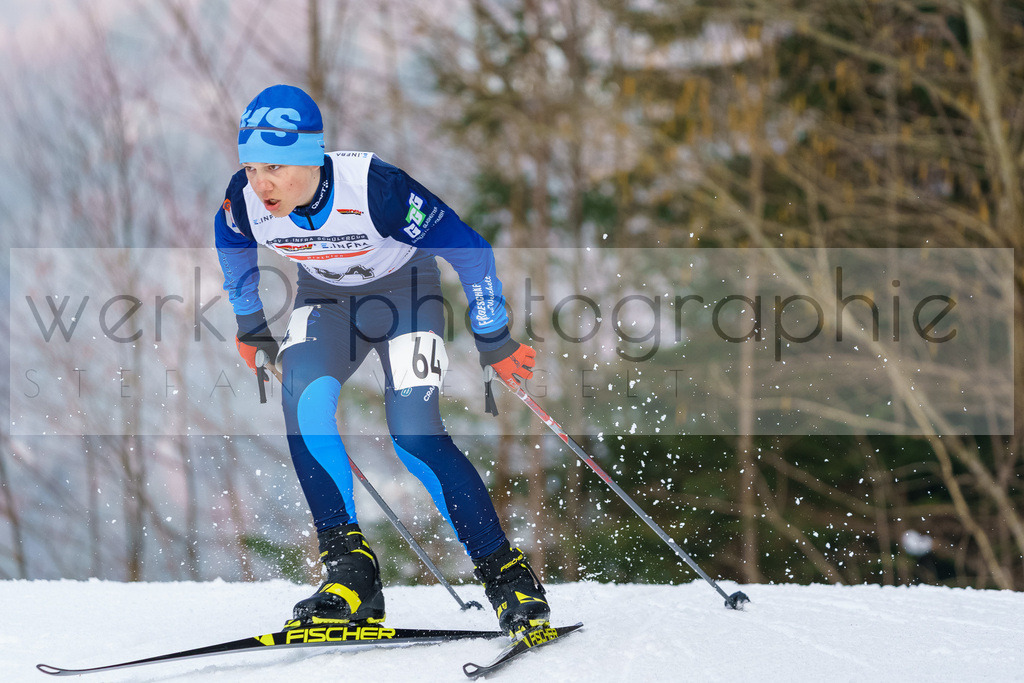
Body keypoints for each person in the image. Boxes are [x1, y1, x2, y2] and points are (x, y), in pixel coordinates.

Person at [214, 84, 549, 637]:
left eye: (274, 166)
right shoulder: (244, 200)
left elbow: (470, 250)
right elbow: (231, 245)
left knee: (414, 434)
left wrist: (494, 336)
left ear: (310, 157)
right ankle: (351, 574)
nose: (260, 183)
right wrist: (250, 324)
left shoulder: (376, 189)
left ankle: (505, 575)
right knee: (303, 403)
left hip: (407, 297)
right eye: (251, 167)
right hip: (325, 304)